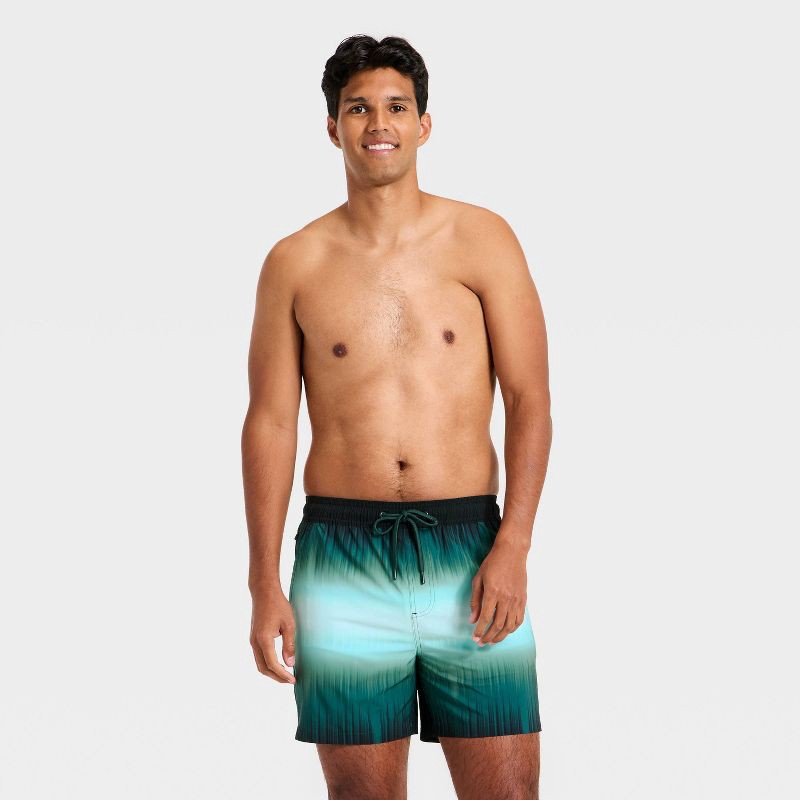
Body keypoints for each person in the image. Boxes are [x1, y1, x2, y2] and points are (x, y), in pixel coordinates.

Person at [242, 34, 552, 800]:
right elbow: (271, 422)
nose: (378, 123)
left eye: (395, 107)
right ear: (333, 127)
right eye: (358, 109)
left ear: (423, 124)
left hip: (469, 551)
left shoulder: (482, 238)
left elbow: (529, 398)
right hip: (340, 558)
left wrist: (514, 542)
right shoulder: (294, 261)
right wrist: (263, 582)